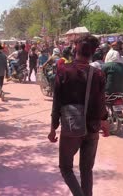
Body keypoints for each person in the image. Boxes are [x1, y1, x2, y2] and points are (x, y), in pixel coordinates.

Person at [48, 35, 109, 196]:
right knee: (86, 170)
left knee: (66, 168)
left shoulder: (63, 71)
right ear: (94, 52)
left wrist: (53, 127)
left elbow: (57, 102)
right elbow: (101, 103)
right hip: (92, 127)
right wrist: (104, 121)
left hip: (71, 127)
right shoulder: (98, 74)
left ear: (76, 48)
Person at [103, 53, 123, 124]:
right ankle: (119, 114)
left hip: (108, 90)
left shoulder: (106, 65)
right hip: (121, 90)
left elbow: (100, 76)